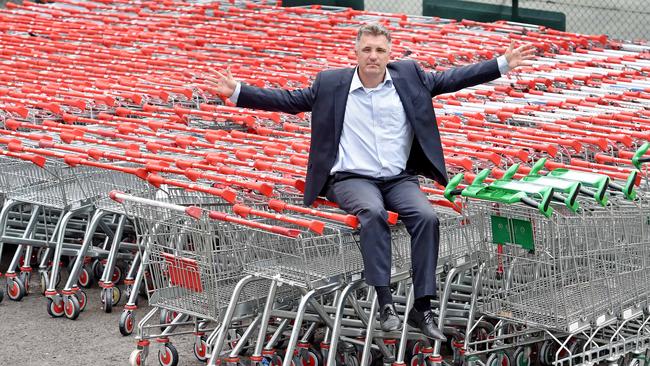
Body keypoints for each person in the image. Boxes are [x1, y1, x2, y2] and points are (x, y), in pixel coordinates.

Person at [201, 22, 535, 341]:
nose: (373, 55)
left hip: (397, 178)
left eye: (379, 50)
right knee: (373, 213)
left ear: (390, 54)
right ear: (356, 53)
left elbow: (454, 78)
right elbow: (289, 101)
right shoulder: (332, 83)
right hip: (351, 177)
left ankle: (423, 306)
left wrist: (502, 63)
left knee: (426, 216)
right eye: (366, 50)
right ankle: (385, 301)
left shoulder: (410, 76)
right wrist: (238, 93)